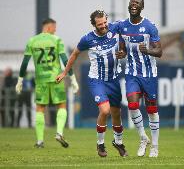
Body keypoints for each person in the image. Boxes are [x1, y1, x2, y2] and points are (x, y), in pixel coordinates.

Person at [56, 10, 128, 157]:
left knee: (116, 114)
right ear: (94, 25)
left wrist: (123, 53)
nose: (103, 26)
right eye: (99, 24)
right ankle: (100, 144)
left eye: (104, 22)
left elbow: (125, 45)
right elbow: (75, 54)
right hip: (97, 80)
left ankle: (118, 142)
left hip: (113, 79)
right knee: (105, 110)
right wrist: (65, 72)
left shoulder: (115, 29)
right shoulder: (87, 39)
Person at [15, 18, 79, 148]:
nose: (55, 31)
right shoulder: (56, 40)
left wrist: (20, 79)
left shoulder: (32, 41)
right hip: (57, 79)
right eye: (54, 28)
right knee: (61, 106)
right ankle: (59, 133)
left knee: (40, 109)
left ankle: (39, 141)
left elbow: (25, 62)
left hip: (41, 80)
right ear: (49, 27)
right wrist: (72, 78)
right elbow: (65, 60)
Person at [118, 0, 162, 157]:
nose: (134, 5)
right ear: (129, 6)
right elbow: (123, 50)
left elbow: (159, 51)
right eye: (131, 3)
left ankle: (155, 146)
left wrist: (148, 50)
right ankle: (143, 138)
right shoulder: (123, 26)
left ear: (142, 7)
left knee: (151, 109)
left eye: (137, 3)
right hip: (132, 73)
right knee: (132, 105)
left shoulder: (150, 26)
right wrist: (120, 53)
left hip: (149, 74)